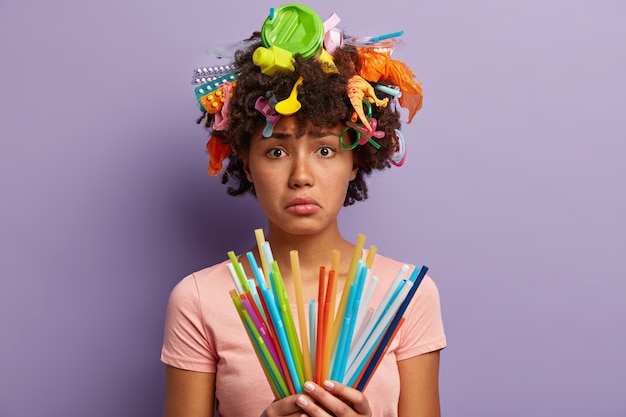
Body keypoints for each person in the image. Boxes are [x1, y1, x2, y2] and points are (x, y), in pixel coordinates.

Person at [161, 4, 446, 416]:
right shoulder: (200, 299)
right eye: (275, 151)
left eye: (326, 150)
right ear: (247, 164)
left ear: (356, 161)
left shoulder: (405, 294)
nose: (301, 175)